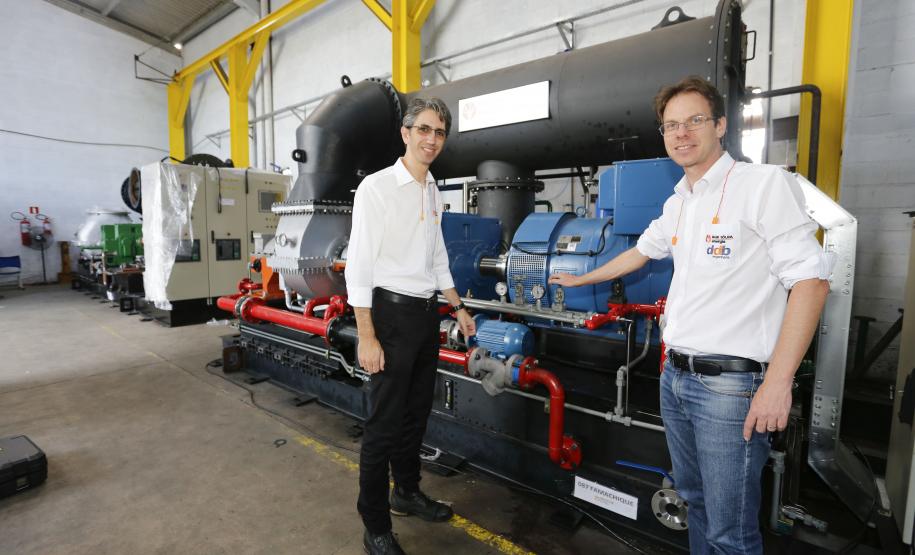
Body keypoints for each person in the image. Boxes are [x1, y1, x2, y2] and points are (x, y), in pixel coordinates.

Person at [549, 76, 831, 553]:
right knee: (695, 503)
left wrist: (778, 383)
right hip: (675, 379)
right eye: (671, 125)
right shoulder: (680, 201)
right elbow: (640, 252)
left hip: (730, 388)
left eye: (694, 121)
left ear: (720, 125)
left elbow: (811, 281)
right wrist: (581, 279)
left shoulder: (762, 186)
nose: (682, 133)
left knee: (731, 531)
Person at [345, 97, 476, 555]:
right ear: (405, 133)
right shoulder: (377, 189)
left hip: (425, 316)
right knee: (382, 424)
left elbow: (436, 256)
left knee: (416, 414)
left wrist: (457, 306)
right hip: (390, 315)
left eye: (439, 132)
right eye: (423, 129)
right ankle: (375, 525)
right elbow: (358, 266)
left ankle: (406, 491)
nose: (431, 140)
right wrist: (366, 334)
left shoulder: (431, 188)